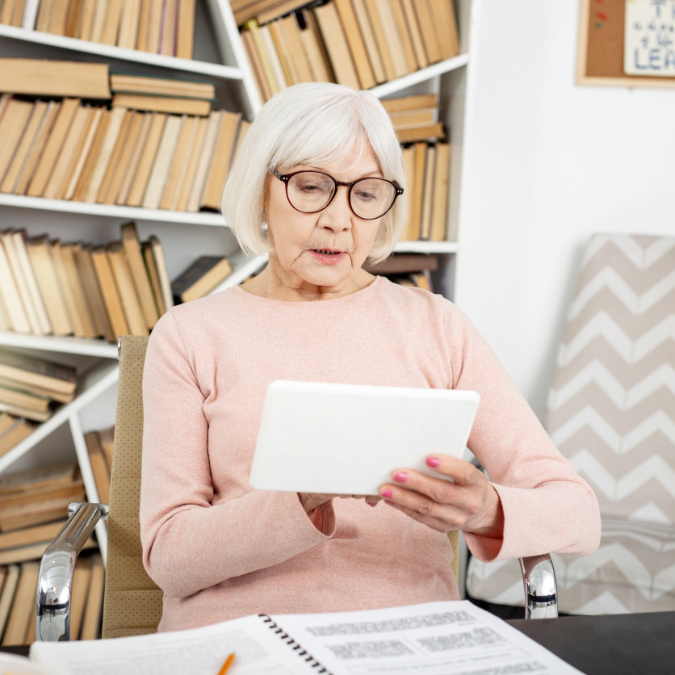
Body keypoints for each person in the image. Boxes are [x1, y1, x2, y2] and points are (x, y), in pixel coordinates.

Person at [140, 82, 601, 633]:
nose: (339, 220)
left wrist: (486, 511)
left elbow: (578, 513)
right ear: (259, 189)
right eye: (311, 187)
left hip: (408, 641)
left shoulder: (436, 326)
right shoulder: (189, 335)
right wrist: (304, 492)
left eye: (365, 194)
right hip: (240, 638)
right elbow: (168, 556)